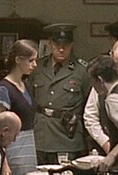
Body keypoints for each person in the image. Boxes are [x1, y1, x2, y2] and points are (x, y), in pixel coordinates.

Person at [29, 23, 90, 165]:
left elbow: (89, 105)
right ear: (50, 44)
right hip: (40, 135)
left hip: (67, 136)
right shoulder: (38, 67)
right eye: (57, 45)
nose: (61, 49)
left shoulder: (82, 71)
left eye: (66, 45)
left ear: (72, 45)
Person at [0, 39, 39, 175]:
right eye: (31, 60)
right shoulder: (4, 88)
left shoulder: (26, 85)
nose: (34, 65)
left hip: (28, 146)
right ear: (18, 60)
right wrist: (4, 163)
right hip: (13, 148)